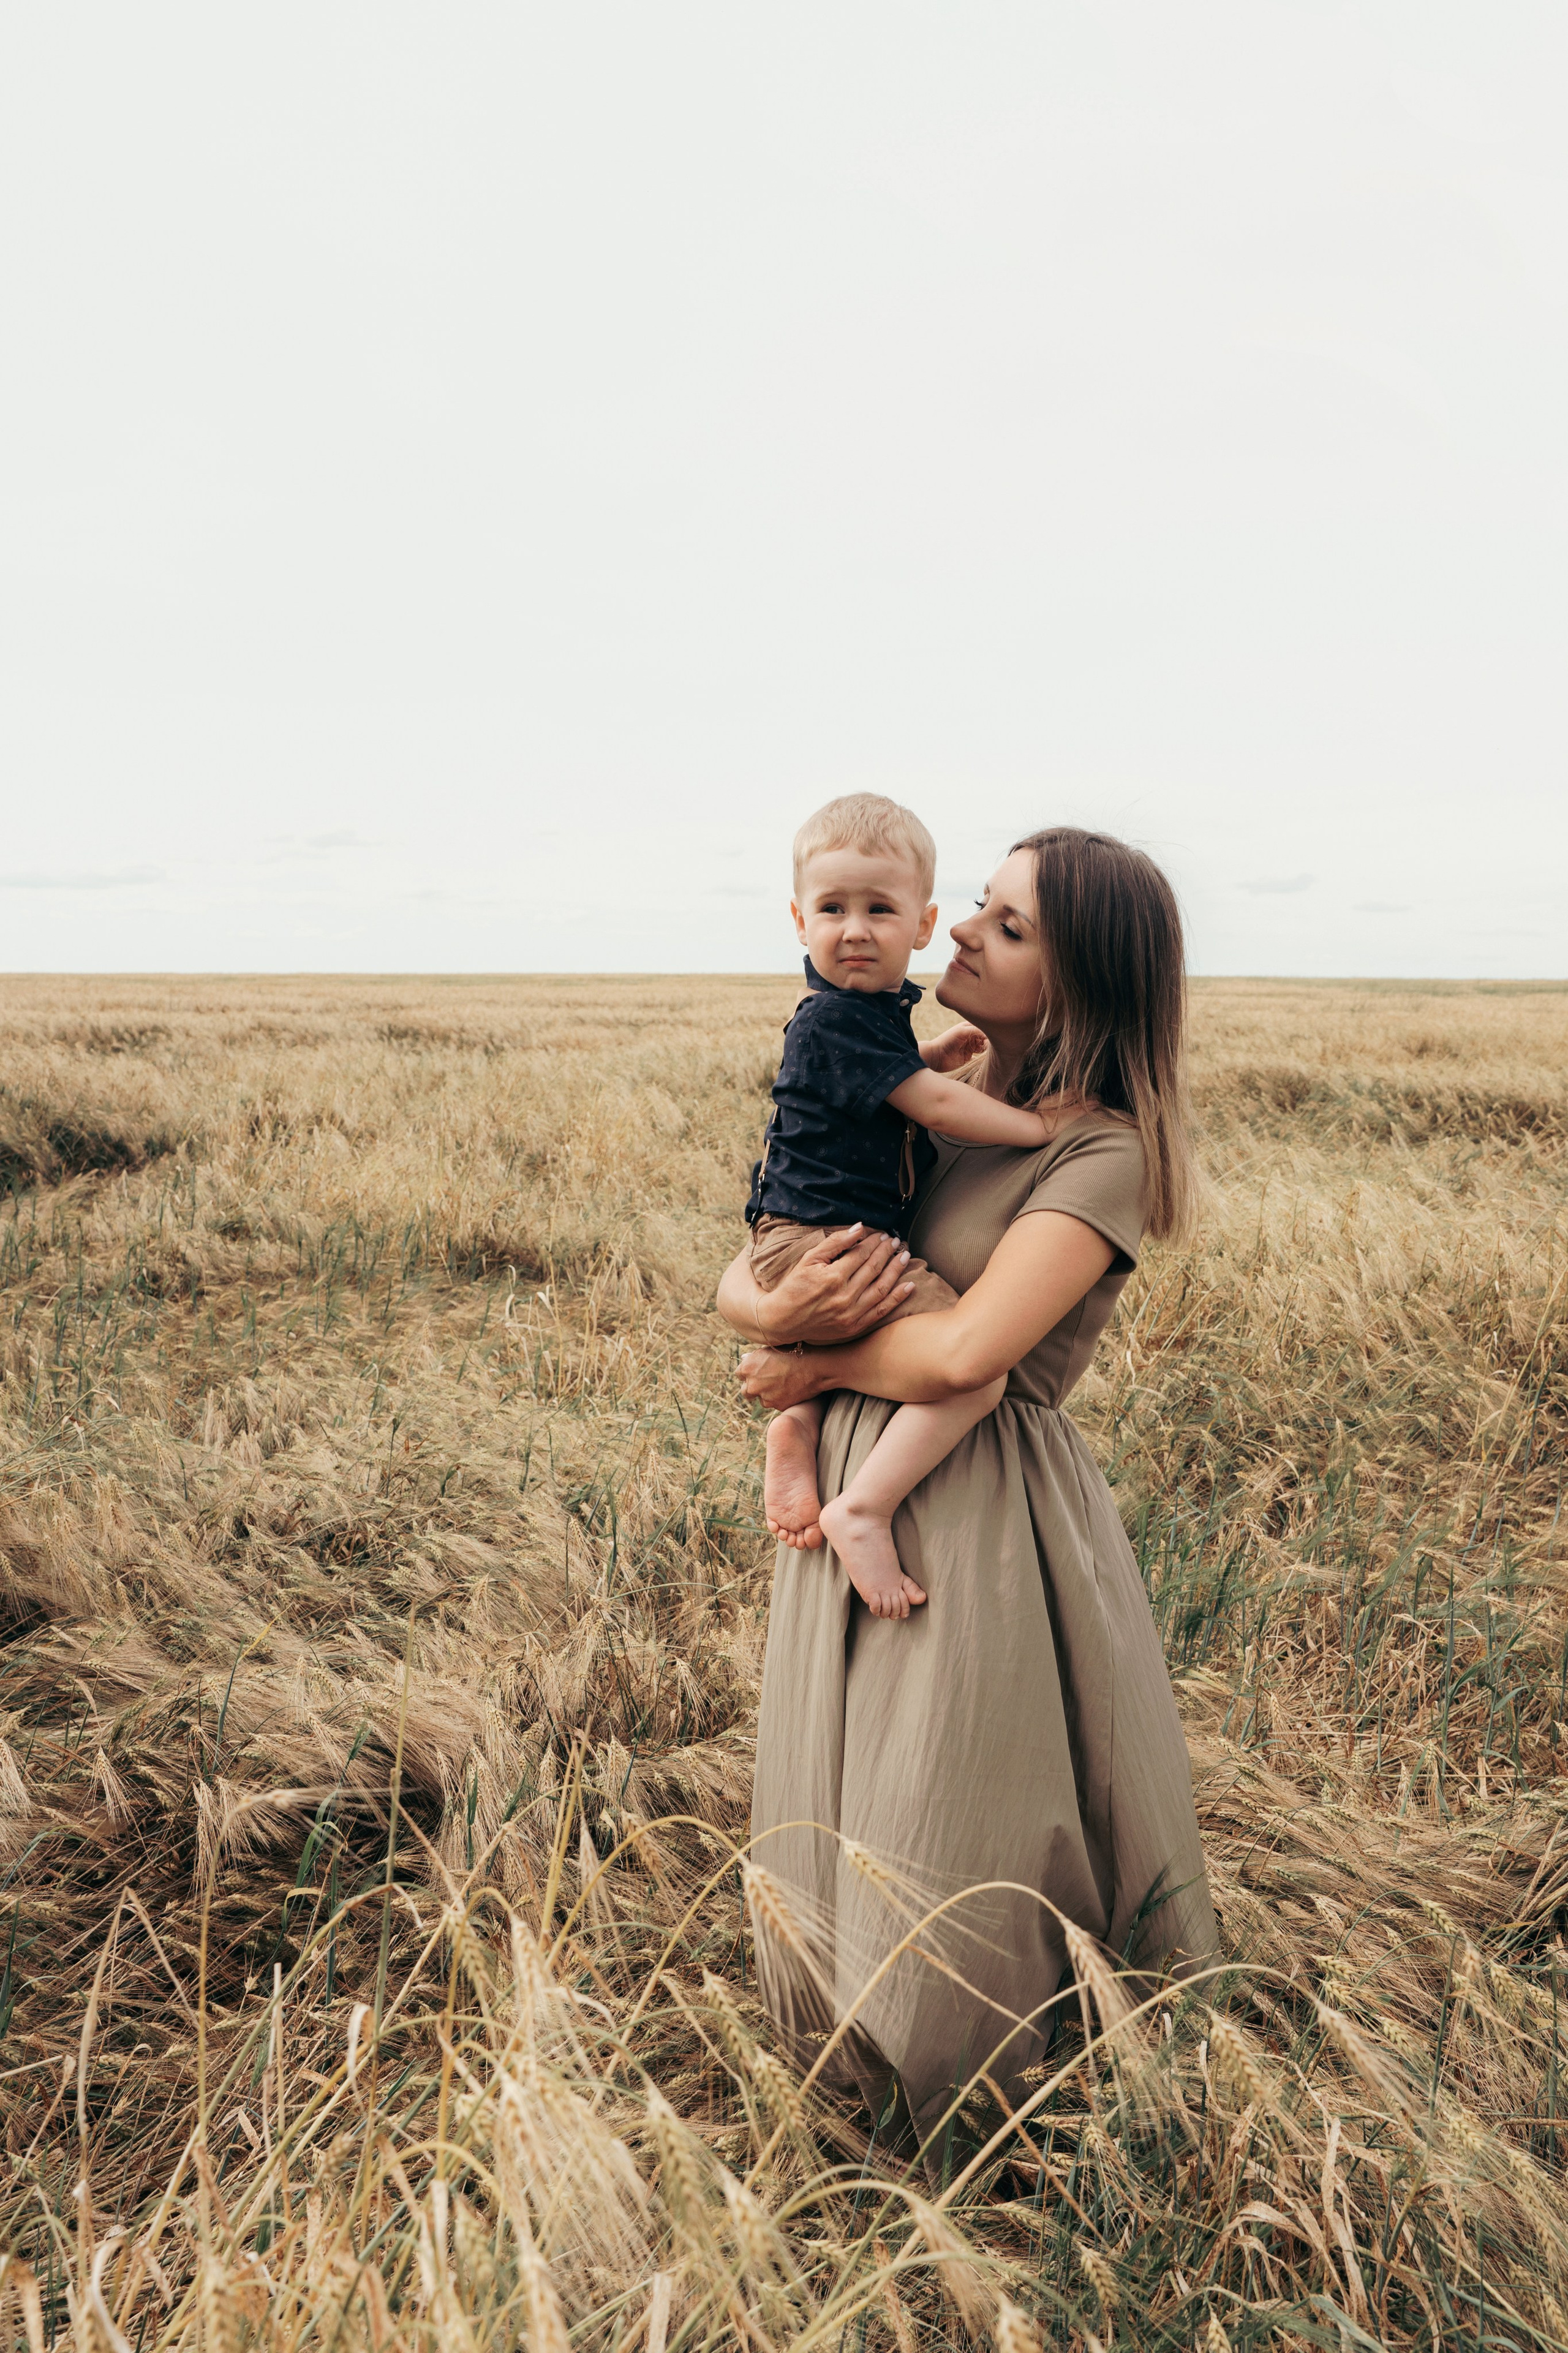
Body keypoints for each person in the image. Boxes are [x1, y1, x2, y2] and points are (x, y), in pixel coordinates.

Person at [717, 825, 1219, 2147]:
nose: (957, 933)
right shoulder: (930, 1084)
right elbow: (773, 1227)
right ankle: (842, 2063)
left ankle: (978, 2105)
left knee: (950, 1797)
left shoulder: (1098, 1151)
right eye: (977, 907)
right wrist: (759, 1315)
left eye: (1005, 924)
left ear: (1083, 977)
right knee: (849, 1773)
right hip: (861, 1474)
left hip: (981, 1512)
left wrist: (798, 1358)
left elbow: (965, 1354)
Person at [744, 793, 1062, 1620]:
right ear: (799, 920)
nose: (854, 929)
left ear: (920, 926)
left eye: (878, 910)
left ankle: (800, 1417)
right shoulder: (837, 1018)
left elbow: (876, 1084)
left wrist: (923, 1054)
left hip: (798, 1235)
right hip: (830, 1241)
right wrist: (1036, 1127)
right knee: (978, 1379)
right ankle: (864, 1506)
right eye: (832, 909)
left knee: (862, 1331)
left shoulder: (852, 1019)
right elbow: (937, 1106)